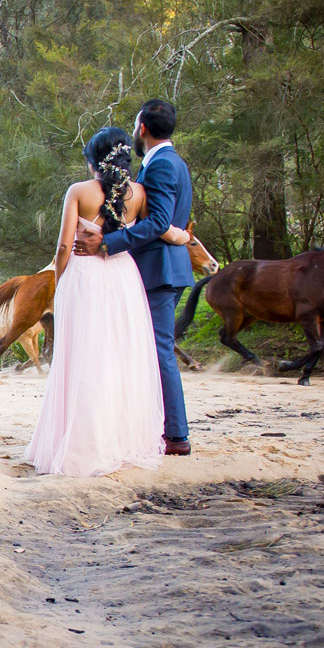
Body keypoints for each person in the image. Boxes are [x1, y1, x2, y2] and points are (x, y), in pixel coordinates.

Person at [25, 127, 189, 476]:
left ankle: (83, 444)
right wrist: (184, 236)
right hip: (122, 275)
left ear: (92, 161)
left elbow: (63, 246)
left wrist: (59, 280)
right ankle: (120, 442)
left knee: (84, 355)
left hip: (85, 275)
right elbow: (157, 228)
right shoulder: (140, 193)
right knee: (119, 356)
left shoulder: (78, 191)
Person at [73, 99, 195, 456]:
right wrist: (178, 234)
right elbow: (168, 222)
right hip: (166, 265)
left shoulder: (160, 166)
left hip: (159, 269)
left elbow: (158, 221)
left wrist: (106, 243)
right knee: (153, 349)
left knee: (159, 351)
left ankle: (175, 435)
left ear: (142, 128)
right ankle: (160, 428)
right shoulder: (174, 163)